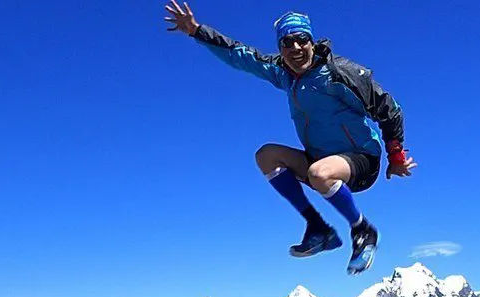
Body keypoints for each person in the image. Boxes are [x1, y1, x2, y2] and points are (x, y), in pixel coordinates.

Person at [164, 1, 416, 275]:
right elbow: (240, 55)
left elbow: (389, 109)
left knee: (320, 173)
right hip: (320, 160)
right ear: (281, 47)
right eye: (287, 42)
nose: (295, 48)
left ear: (311, 41)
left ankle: (362, 230)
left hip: (361, 160)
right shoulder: (284, 74)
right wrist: (196, 31)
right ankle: (318, 228)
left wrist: (396, 156)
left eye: (301, 40)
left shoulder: (341, 73)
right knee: (266, 156)